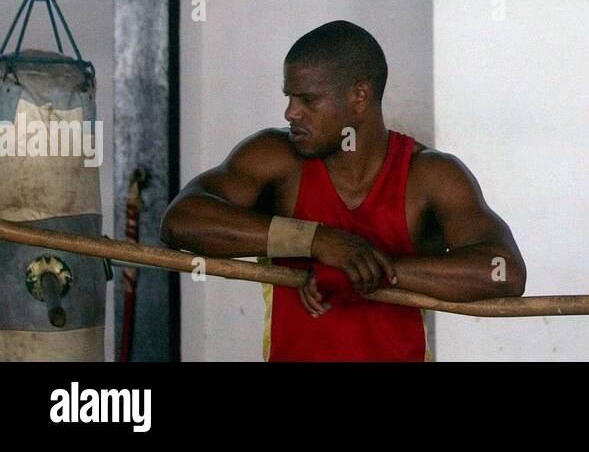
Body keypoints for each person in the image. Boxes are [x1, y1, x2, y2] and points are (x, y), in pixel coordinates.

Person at [161, 21, 525, 362]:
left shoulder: (430, 175)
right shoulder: (277, 158)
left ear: (360, 96)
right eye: (289, 97)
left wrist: (372, 270)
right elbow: (181, 221)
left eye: (308, 100)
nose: (290, 112)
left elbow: (504, 273)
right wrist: (315, 240)